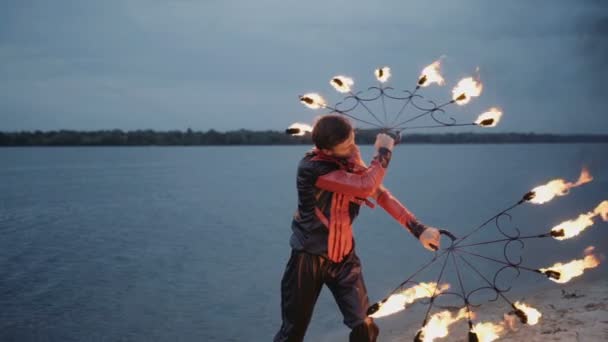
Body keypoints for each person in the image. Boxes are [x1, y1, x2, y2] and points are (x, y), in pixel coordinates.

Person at [274, 114, 442, 342]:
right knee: (292, 333)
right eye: (346, 146)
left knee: (365, 326)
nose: (352, 147)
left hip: (344, 260)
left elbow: (379, 193)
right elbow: (365, 186)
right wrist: (383, 152)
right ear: (327, 150)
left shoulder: (350, 158)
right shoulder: (311, 168)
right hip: (308, 259)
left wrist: (418, 229)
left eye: (353, 140)